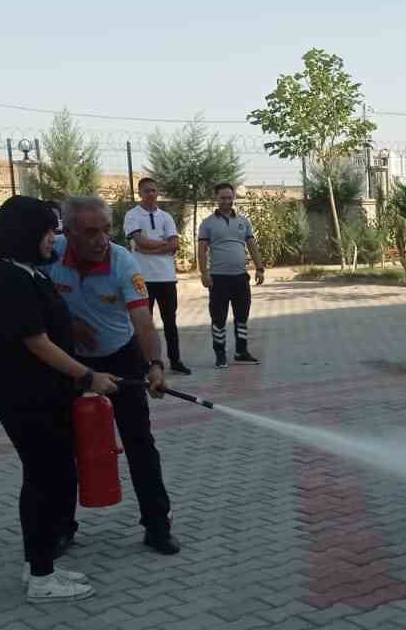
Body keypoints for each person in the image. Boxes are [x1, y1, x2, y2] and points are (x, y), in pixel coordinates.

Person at [0, 195, 117, 603]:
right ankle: (41, 576)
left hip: (41, 394)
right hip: (25, 398)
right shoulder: (9, 278)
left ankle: (37, 563)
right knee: (45, 480)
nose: (54, 239)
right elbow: (37, 343)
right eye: (49, 231)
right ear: (26, 233)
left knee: (48, 479)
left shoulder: (28, 273)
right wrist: (88, 375)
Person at [45, 195, 180, 555]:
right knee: (61, 447)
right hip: (70, 362)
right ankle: (61, 528)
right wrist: (69, 324)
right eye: (90, 232)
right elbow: (35, 303)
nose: (100, 239)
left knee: (140, 444)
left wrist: (154, 365)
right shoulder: (51, 255)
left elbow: (143, 323)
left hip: (121, 357)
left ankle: (157, 525)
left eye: (105, 230)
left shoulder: (123, 262)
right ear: (68, 231)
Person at [123, 178, 190, 375]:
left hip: (167, 277)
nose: (151, 194)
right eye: (146, 191)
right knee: (144, 323)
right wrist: (163, 245)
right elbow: (139, 241)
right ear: (140, 193)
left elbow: (175, 244)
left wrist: (148, 249)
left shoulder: (166, 217)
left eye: (153, 190)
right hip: (142, 279)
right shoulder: (133, 215)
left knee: (171, 321)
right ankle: (146, 362)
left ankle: (176, 360)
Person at [196, 182, 265, 369]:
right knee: (218, 318)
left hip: (240, 278)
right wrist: (203, 273)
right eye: (222, 198)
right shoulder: (207, 224)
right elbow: (201, 250)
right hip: (218, 279)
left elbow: (251, 245)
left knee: (242, 316)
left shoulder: (244, 221)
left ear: (234, 197)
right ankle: (220, 355)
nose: (226, 201)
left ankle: (241, 352)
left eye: (229, 197)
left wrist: (260, 267)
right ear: (216, 198)